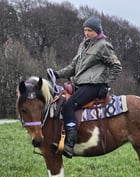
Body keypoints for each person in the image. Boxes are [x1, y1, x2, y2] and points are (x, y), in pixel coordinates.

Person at [50, 16, 122, 158]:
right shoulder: (83, 45)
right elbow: (73, 67)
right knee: (60, 101)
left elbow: (116, 66)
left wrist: (105, 83)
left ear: (97, 31)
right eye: (85, 30)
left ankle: (70, 143)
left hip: (93, 86)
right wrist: (57, 74)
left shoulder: (103, 45)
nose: (86, 33)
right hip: (80, 85)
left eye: (89, 30)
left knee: (68, 106)